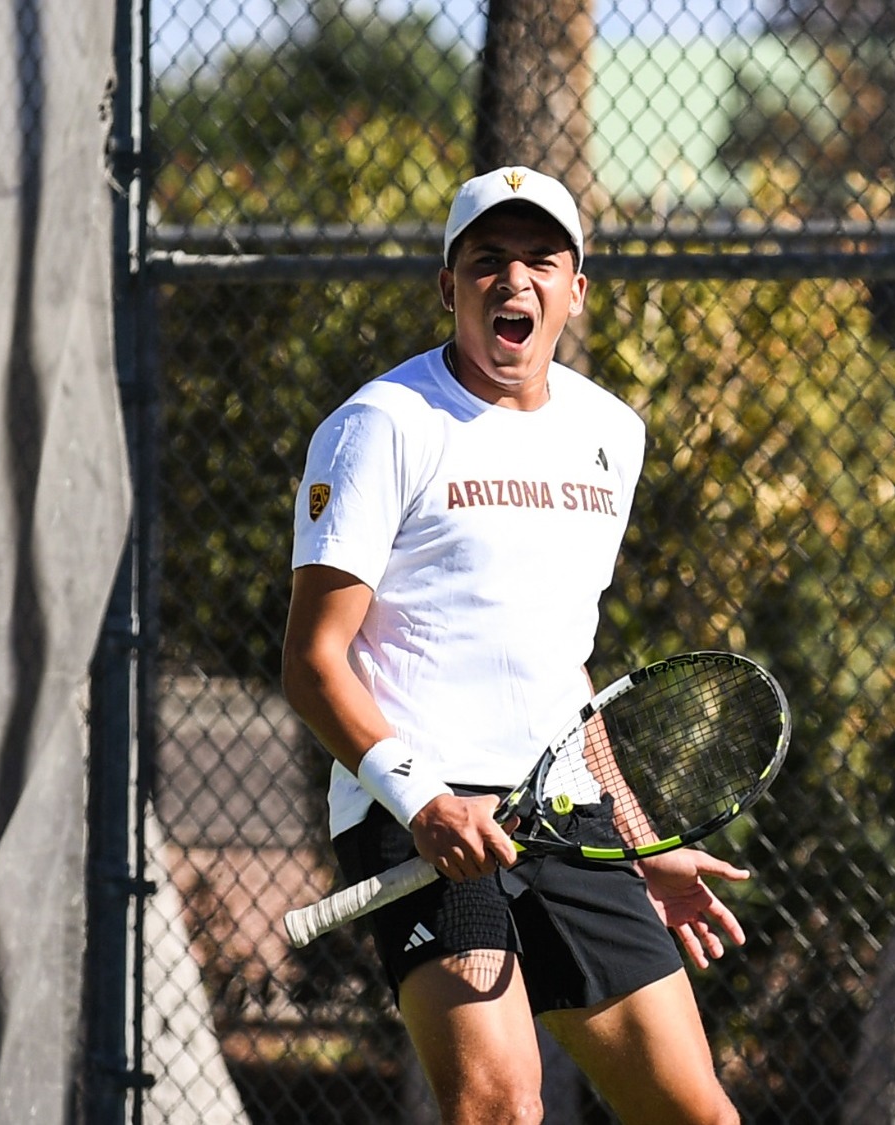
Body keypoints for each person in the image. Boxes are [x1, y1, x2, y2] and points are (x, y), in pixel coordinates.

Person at [281, 165, 747, 1125]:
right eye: (487, 260)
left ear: (576, 289)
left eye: (542, 259)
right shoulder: (380, 427)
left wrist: (639, 841)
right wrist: (423, 802)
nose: (514, 280)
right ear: (448, 285)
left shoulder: (610, 434)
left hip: (564, 814)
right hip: (418, 816)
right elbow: (313, 657)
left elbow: (559, 666)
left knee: (694, 1113)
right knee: (500, 1106)